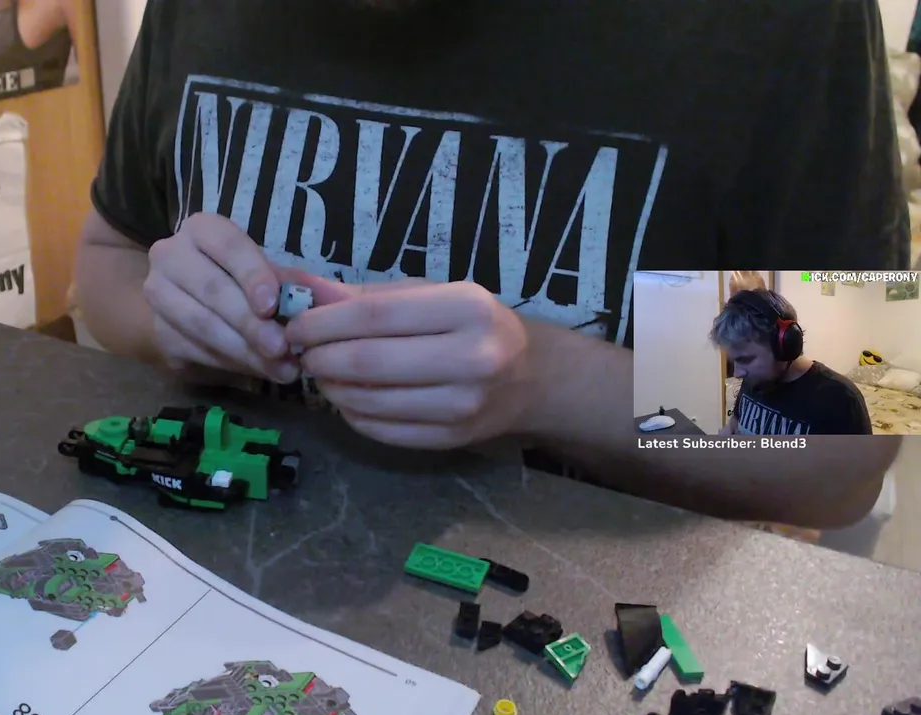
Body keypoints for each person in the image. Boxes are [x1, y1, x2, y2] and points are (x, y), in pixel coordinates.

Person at [73, 0, 905, 529]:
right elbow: (110, 258)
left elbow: (850, 447)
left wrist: (551, 383)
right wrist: (170, 323)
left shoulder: (778, 22)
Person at [713, 290, 873, 436]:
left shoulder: (841, 399)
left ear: (785, 344)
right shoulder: (754, 379)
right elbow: (736, 422)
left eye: (746, 360)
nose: (738, 373)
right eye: (734, 360)